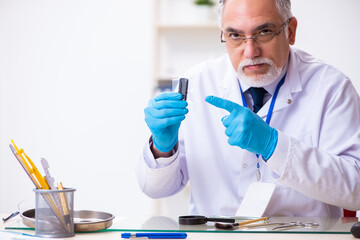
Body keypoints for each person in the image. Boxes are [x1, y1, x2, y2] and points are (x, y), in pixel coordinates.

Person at [137, 0, 360, 217]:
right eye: (235, 35)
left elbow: (356, 190)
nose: (251, 51)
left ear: (290, 31)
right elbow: (157, 190)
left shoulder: (331, 87)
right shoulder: (196, 84)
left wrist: (274, 145)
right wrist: (162, 148)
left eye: (264, 32)